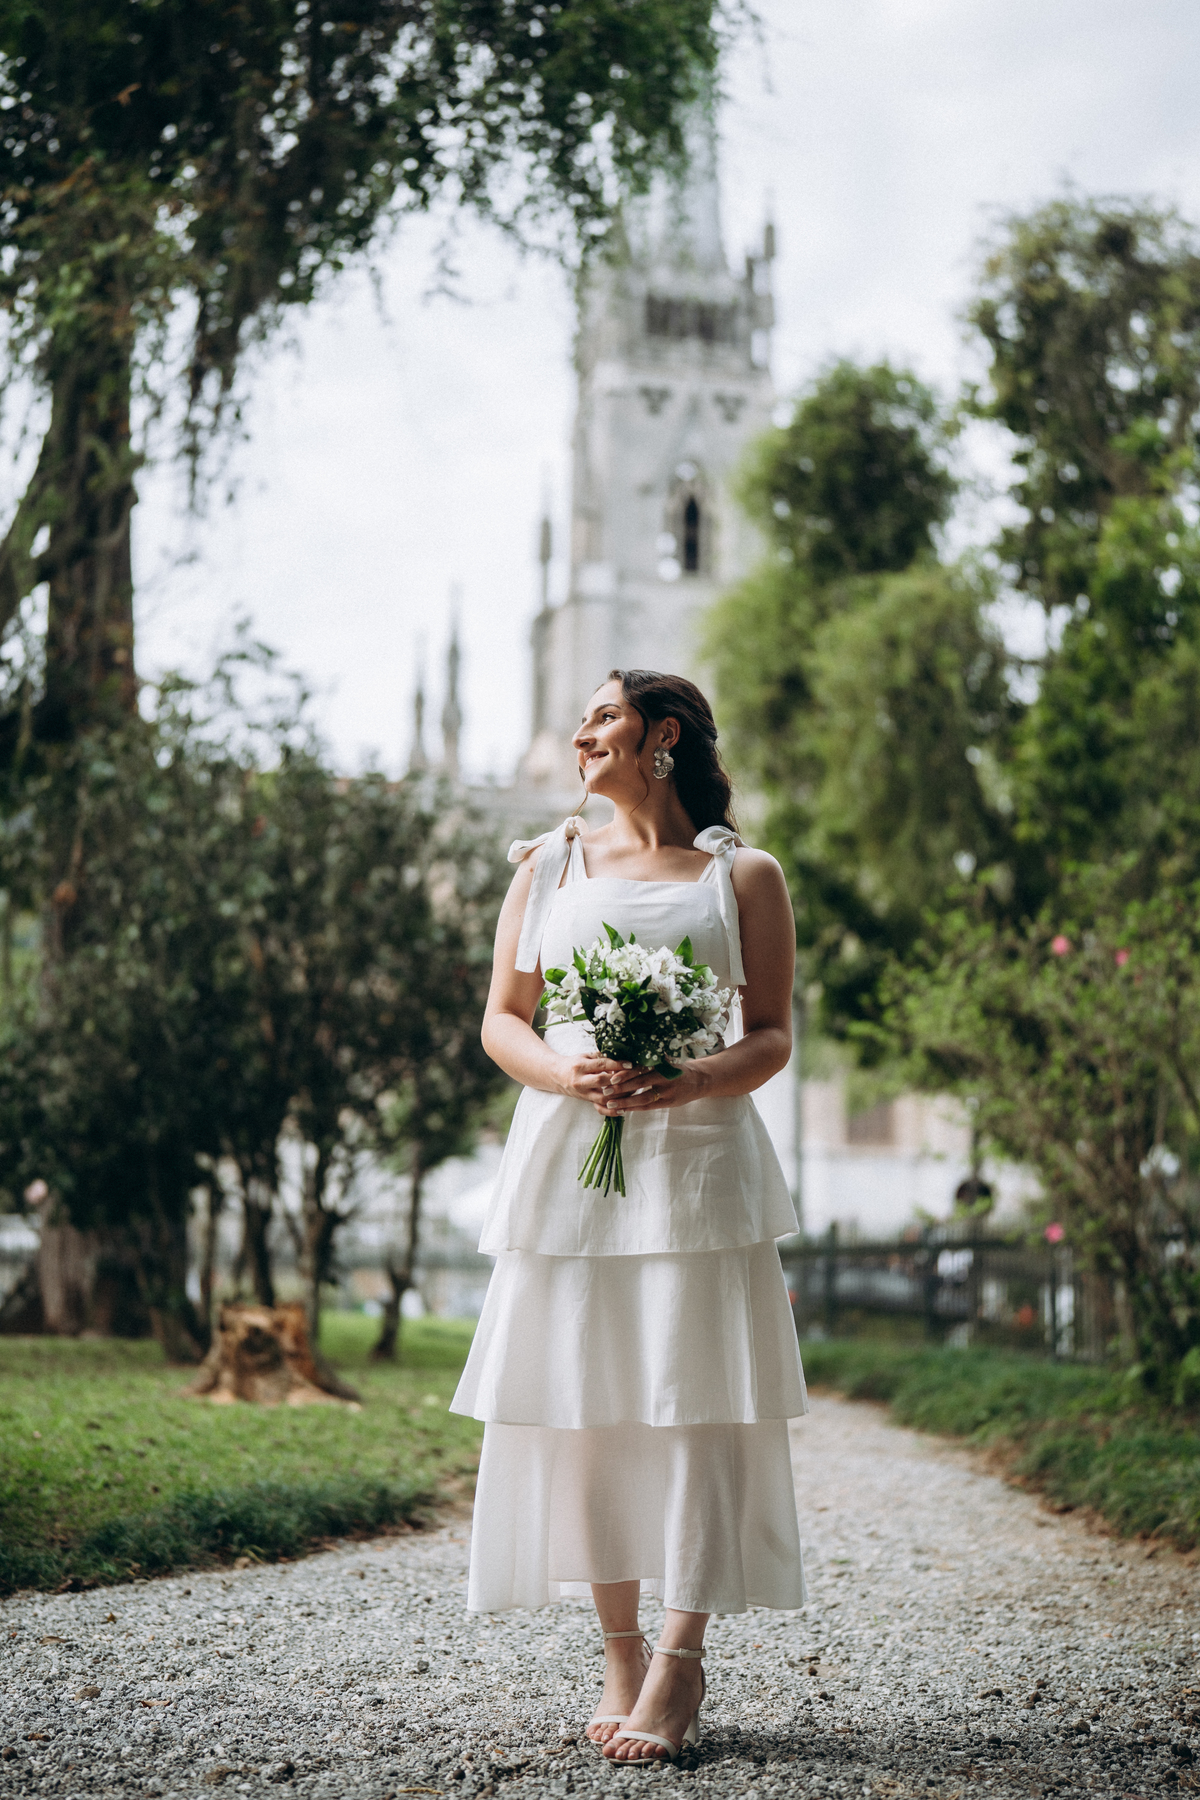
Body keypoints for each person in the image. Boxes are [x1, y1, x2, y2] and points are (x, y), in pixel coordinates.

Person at [450, 668, 807, 1764]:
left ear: (664, 736)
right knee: (587, 1401)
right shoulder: (547, 866)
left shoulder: (743, 877)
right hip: (570, 1163)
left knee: (697, 1404)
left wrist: (688, 1079)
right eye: (583, 720)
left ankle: (680, 1659)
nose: (582, 735)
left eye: (602, 716)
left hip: (698, 1169)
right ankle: (619, 1651)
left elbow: (770, 1033)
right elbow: (504, 1021)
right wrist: (570, 1075)